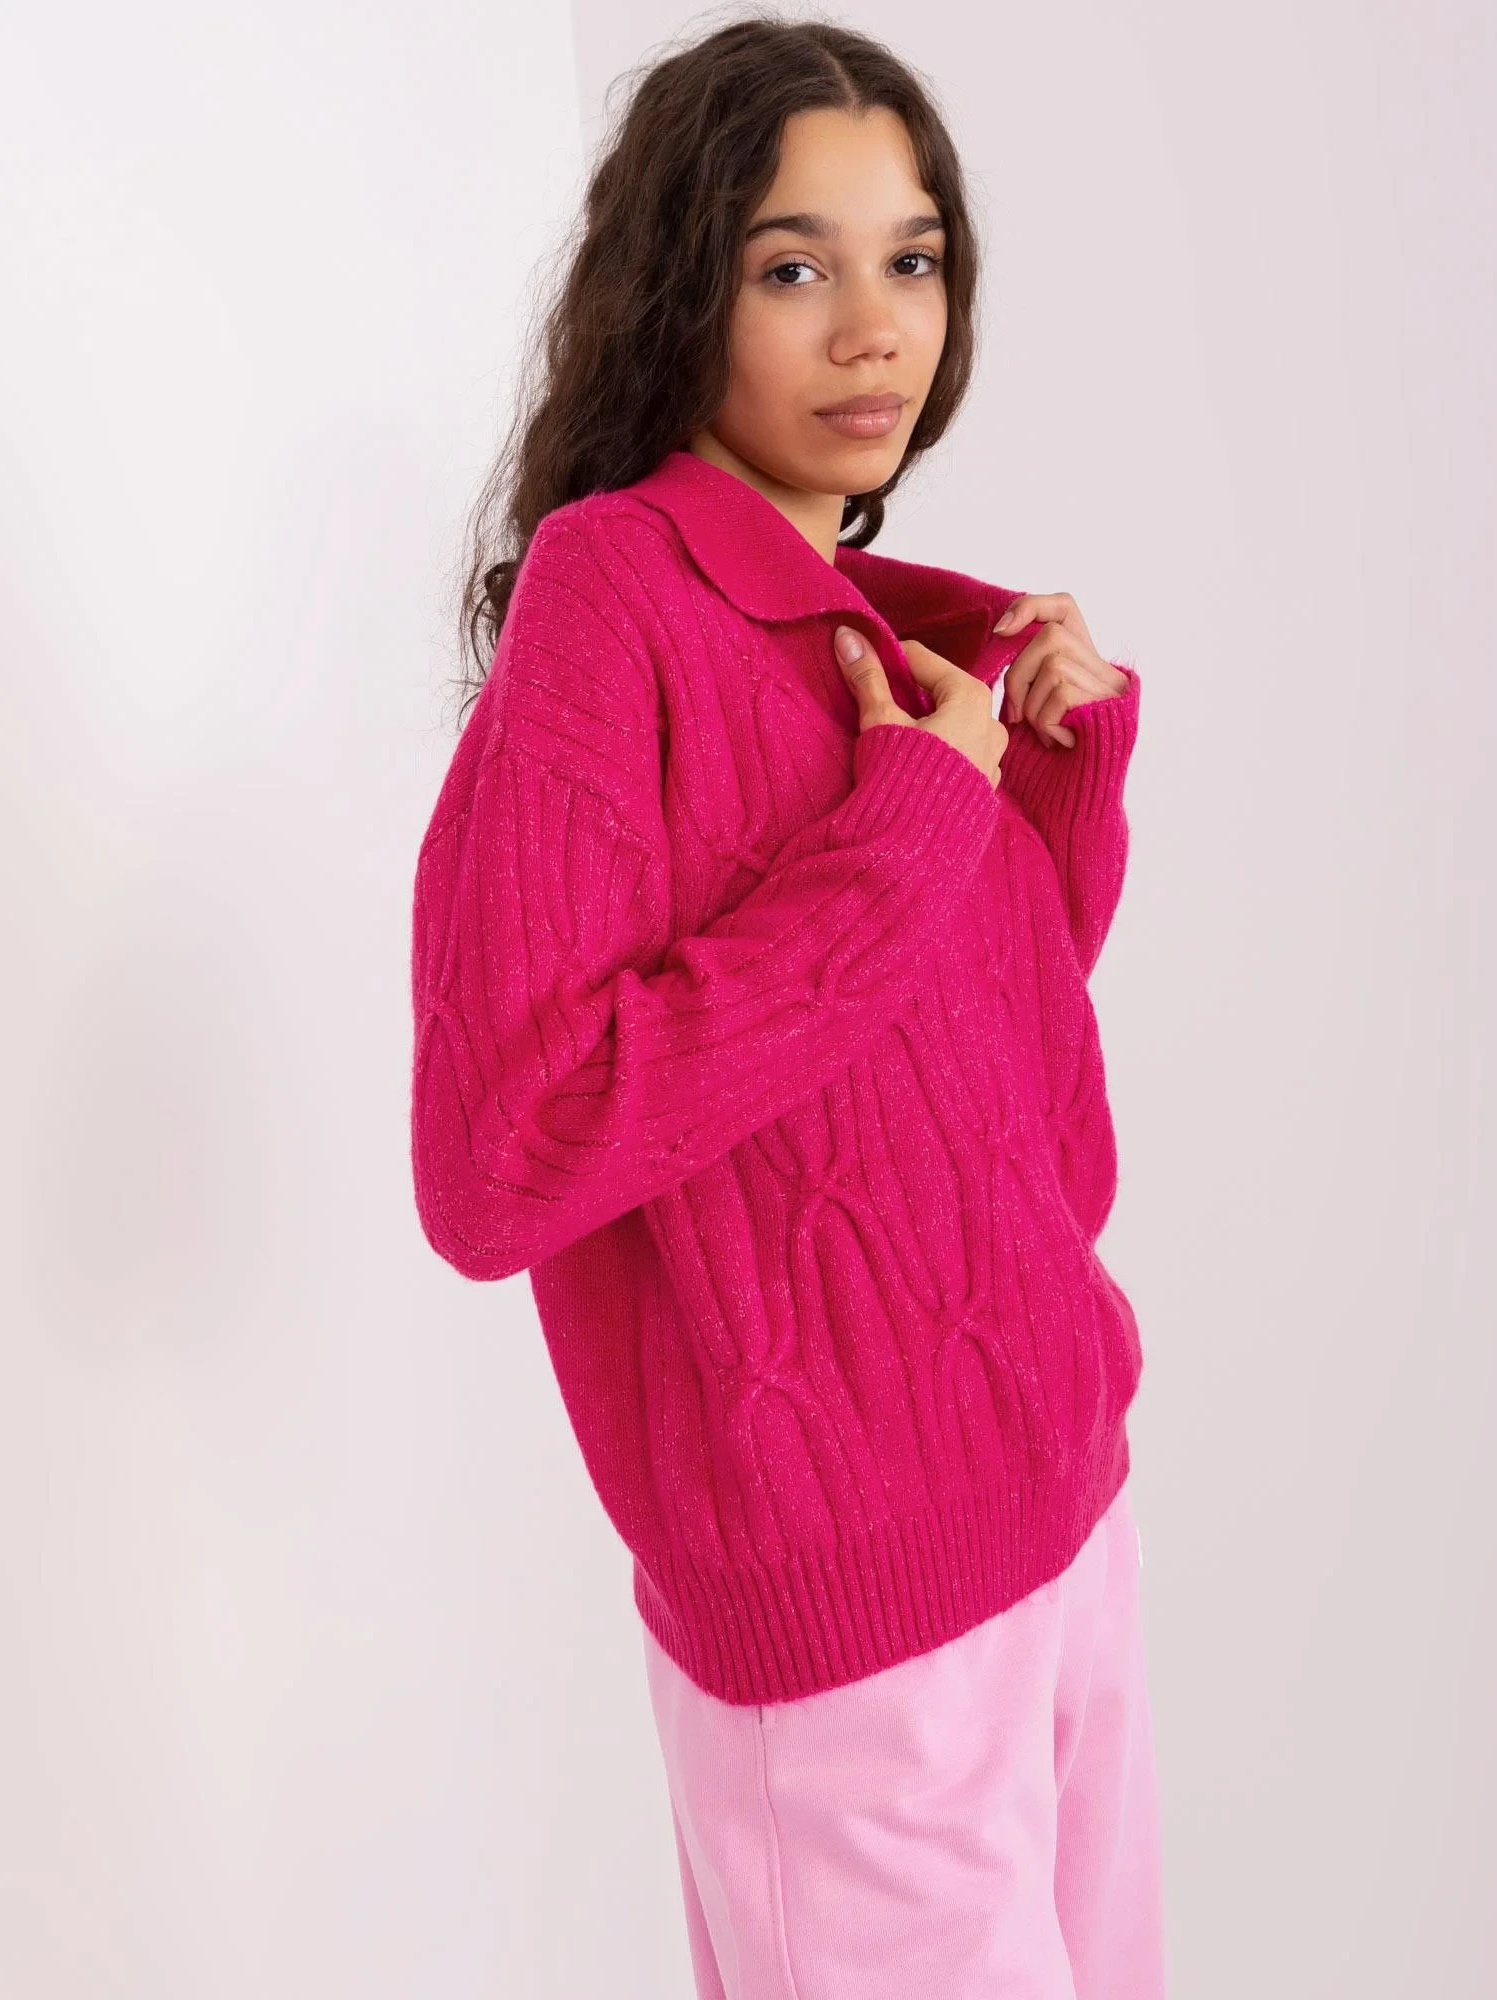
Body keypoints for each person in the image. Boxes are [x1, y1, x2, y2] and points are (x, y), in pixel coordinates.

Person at [410, 14, 1165, 1997]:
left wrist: (1042, 785)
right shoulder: (615, 597)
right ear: (684, 291)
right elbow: (502, 1157)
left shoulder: (870, 640)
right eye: (793, 266)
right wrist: (913, 825)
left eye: (911, 257)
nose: (873, 326)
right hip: (856, 1629)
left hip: (1064, 1514)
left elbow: (943, 1075)